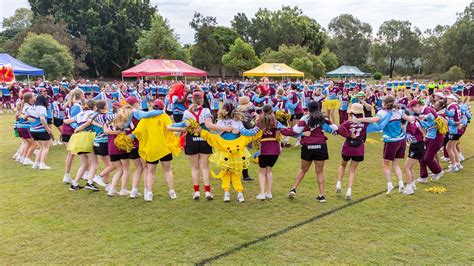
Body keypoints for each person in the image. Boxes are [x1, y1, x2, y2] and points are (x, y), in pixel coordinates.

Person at [169, 91, 231, 200]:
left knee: (194, 167)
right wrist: (226, 129)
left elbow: (184, 129)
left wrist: (170, 128)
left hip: (191, 139)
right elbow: (209, 125)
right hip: (204, 139)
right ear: (202, 99)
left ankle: (196, 191)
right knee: (205, 167)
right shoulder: (206, 110)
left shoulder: (187, 113)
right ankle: (207, 192)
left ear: (192, 100)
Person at [354, 95, 414, 194]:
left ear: (385, 104)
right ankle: (401, 183)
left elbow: (374, 120)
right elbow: (410, 119)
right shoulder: (399, 111)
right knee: (395, 163)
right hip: (401, 140)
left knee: (385, 164)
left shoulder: (382, 112)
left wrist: (359, 119)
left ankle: (389, 185)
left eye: (382, 102)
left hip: (391, 141)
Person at [282, 101, 338, 202]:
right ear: (318, 107)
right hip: (321, 146)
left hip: (307, 147)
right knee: (319, 172)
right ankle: (321, 195)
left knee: (303, 169)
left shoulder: (305, 118)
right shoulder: (323, 119)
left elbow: (295, 131)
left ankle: (293, 189)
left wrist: (280, 129)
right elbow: (335, 129)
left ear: (308, 108)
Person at [335, 103, 391, 200]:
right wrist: (388, 116)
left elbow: (339, 129)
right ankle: (349, 190)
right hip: (359, 147)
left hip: (348, 146)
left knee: (343, 165)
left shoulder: (348, 122)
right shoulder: (366, 122)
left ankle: (339, 183)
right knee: (352, 170)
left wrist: (349, 134)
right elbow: (378, 127)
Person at [133, 99, 181, 202]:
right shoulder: (165, 117)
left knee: (150, 172)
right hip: (164, 148)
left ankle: (149, 193)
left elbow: (138, 132)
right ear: (163, 108)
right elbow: (170, 128)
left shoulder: (145, 119)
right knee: (167, 171)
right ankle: (172, 191)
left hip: (151, 149)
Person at [67, 100, 101, 191]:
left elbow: (68, 121)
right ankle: (90, 182)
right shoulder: (93, 114)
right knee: (94, 163)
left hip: (77, 138)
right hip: (87, 137)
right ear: (94, 106)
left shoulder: (80, 114)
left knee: (84, 164)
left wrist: (75, 126)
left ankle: (74, 184)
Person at [27, 95, 52, 170]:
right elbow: (42, 119)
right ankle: (42, 164)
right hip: (41, 130)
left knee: (41, 147)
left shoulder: (31, 107)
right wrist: (47, 128)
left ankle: (36, 163)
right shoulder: (42, 108)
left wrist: (34, 122)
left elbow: (27, 117)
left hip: (33, 130)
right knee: (46, 148)